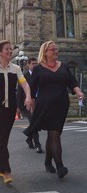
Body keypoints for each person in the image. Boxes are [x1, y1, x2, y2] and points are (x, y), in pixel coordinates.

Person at [23, 40, 84, 179]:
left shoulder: (63, 66)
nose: (56, 51)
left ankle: (47, 162)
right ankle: (60, 166)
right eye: (52, 50)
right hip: (45, 106)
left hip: (61, 104)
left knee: (54, 134)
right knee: (54, 134)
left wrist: (78, 91)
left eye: (56, 49)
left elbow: (72, 81)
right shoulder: (38, 68)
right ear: (45, 52)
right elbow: (32, 89)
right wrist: (30, 103)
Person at [0, 40, 32, 184]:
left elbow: (24, 84)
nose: (10, 51)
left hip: (11, 108)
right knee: (0, 135)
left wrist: (28, 97)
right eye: (7, 49)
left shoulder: (16, 69)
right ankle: (6, 170)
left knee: (2, 137)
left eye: (11, 49)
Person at [17, 57, 42, 153]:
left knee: (36, 123)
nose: (35, 65)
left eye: (36, 64)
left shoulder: (40, 75)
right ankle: (37, 144)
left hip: (39, 103)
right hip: (28, 104)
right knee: (34, 123)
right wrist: (18, 107)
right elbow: (19, 92)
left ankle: (28, 136)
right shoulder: (24, 77)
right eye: (33, 64)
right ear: (28, 65)